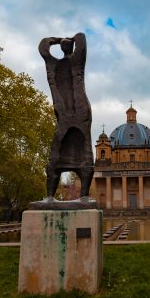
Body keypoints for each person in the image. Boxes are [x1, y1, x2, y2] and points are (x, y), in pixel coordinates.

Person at [38, 33, 94, 198]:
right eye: (64, 44)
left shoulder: (76, 62)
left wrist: (58, 40)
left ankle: (83, 196)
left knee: (84, 149)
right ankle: (49, 196)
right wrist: (65, 38)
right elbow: (44, 47)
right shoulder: (54, 63)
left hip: (80, 110)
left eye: (66, 44)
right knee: (57, 149)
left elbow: (81, 40)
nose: (65, 45)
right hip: (64, 112)